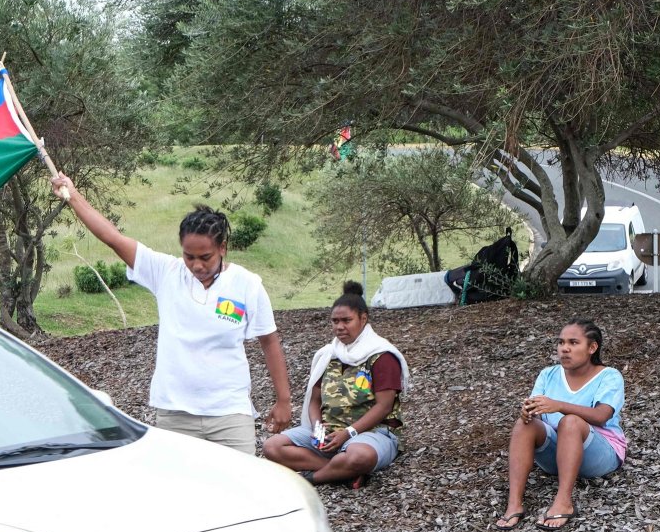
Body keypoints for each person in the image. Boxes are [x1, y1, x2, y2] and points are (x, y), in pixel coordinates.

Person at [52, 174, 294, 454]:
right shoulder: (165, 272)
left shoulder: (247, 284)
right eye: (189, 256)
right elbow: (112, 238)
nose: (197, 265)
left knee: (239, 490)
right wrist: (73, 195)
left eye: (206, 257)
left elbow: (269, 341)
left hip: (229, 412)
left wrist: (284, 400)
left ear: (222, 249)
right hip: (174, 413)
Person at [263, 281, 410, 489]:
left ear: (363, 319)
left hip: (371, 433)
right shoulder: (328, 355)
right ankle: (342, 472)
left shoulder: (381, 356)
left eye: (346, 320)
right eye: (335, 321)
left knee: (359, 456)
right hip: (331, 431)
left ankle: (311, 479)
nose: (339, 327)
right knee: (272, 447)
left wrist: (348, 433)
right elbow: (315, 400)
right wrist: (316, 427)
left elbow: (384, 406)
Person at [496, 318, 626, 532]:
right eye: (561, 342)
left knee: (571, 422)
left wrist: (558, 406)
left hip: (599, 456)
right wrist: (529, 412)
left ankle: (563, 501)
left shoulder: (609, 376)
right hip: (556, 456)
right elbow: (536, 411)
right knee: (524, 424)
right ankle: (514, 504)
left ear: (592, 347)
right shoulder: (548, 374)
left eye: (574, 343)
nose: (564, 349)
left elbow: (602, 415)